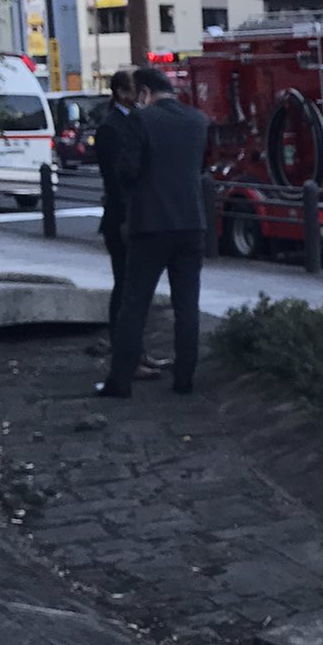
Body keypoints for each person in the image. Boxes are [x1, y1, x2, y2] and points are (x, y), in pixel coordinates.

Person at [98, 67, 211, 400]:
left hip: (151, 224)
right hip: (192, 223)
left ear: (145, 92)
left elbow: (127, 171)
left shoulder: (140, 120)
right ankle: (185, 378)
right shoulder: (196, 120)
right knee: (187, 305)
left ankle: (120, 381)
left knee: (135, 303)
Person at [91, 71, 158, 381]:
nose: (138, 95)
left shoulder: (128, 120)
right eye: (133, 90)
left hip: (130, 215)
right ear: (120, 92)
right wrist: (126, 217)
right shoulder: (111, 128)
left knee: (133, 288)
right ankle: (128, 357)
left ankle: (136, 353)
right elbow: (116, 180)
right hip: (121, 217)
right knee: (126, 288)